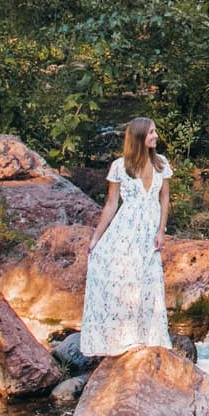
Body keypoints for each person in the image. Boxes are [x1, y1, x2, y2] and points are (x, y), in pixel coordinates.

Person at [79, 116, 172, 357]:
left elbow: (164, 199)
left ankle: (150, 337)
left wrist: (161, 230)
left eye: (155, 131)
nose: (156, 136)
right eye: (152, 133)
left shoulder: (161, 163)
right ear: (140, 137)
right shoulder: (120, 166)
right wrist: (96, 237)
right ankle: (122, 338)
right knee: (126, 281)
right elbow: (111, 204)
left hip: (149, 232)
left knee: (149, 280)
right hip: (126, 231)